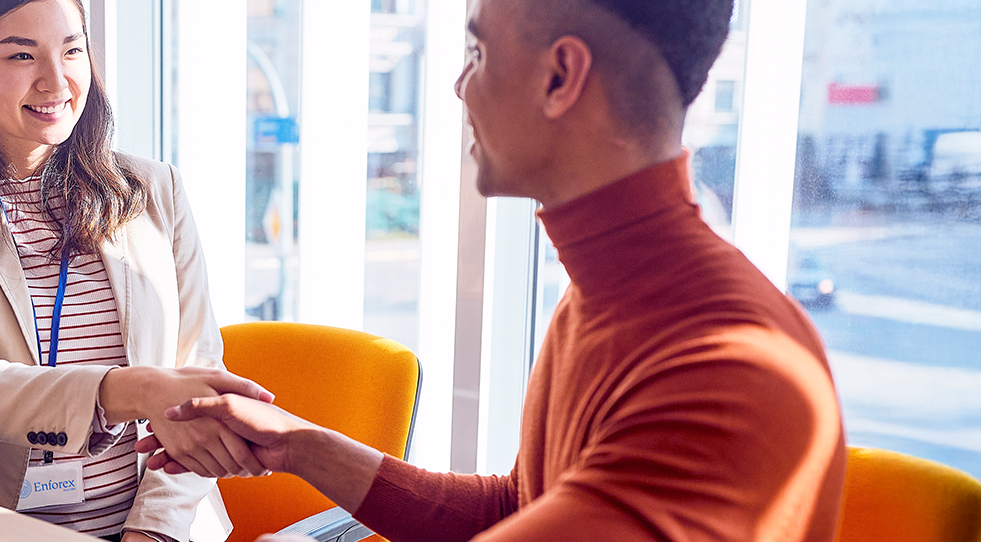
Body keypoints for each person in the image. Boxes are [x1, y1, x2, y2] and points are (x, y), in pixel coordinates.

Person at [141, 0, 848, 541]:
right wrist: (297, 446)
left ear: (559, 76)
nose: (457, 87)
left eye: (476, 51)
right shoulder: (604, 294)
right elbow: (517, 509)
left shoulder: (722, 367)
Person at [0, 0, 270, 540]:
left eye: (72, 50)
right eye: (21, 56)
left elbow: (195, 366)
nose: (56, 81)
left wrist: (152, 531)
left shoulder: (154, 190)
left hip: (160, 523)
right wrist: (134, 390)